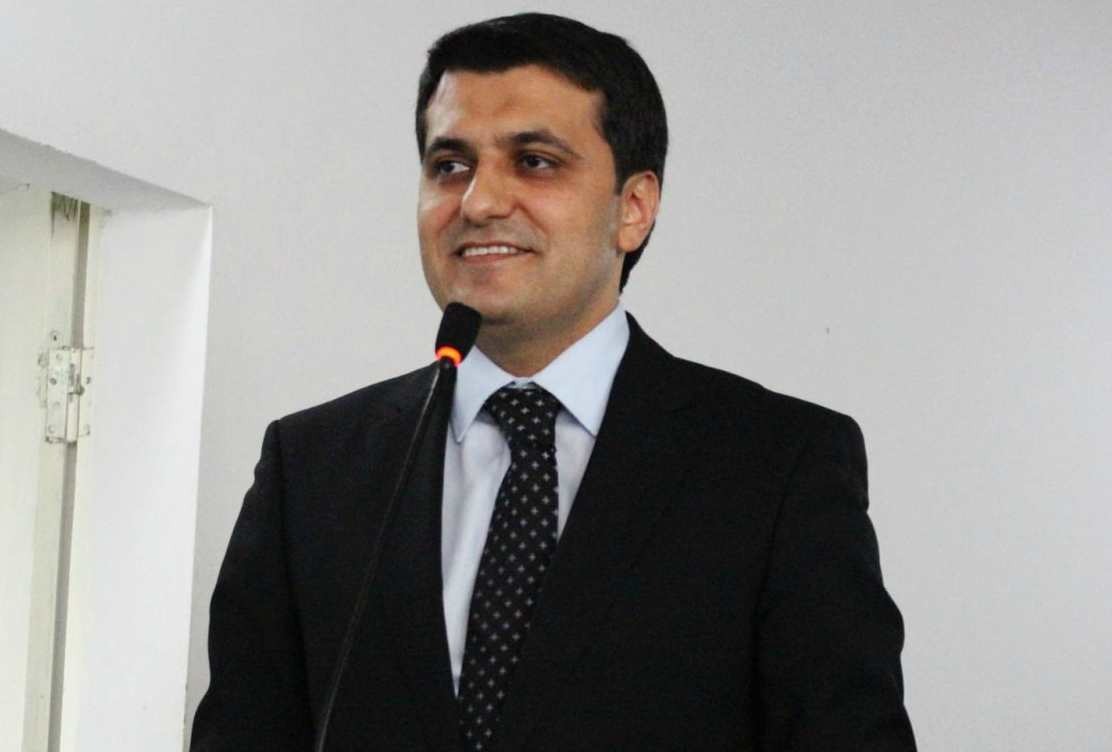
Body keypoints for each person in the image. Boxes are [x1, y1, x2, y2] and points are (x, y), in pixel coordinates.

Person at [192, 12, 917, 752]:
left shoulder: (777, 466)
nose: (478, 202)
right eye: (450, 166)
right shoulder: (311, 468)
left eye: (534, 161)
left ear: (634, 208)